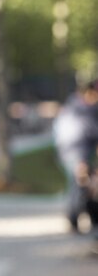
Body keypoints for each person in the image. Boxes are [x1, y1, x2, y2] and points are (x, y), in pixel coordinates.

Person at [53, 79, 98, 237]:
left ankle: (78, 222)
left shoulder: (74, 105)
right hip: (76, 154)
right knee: (78, 188)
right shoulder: (82, 110)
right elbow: (80, 134)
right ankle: (75, 223)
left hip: (71, 153)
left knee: (78, 187)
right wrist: (81, 160)